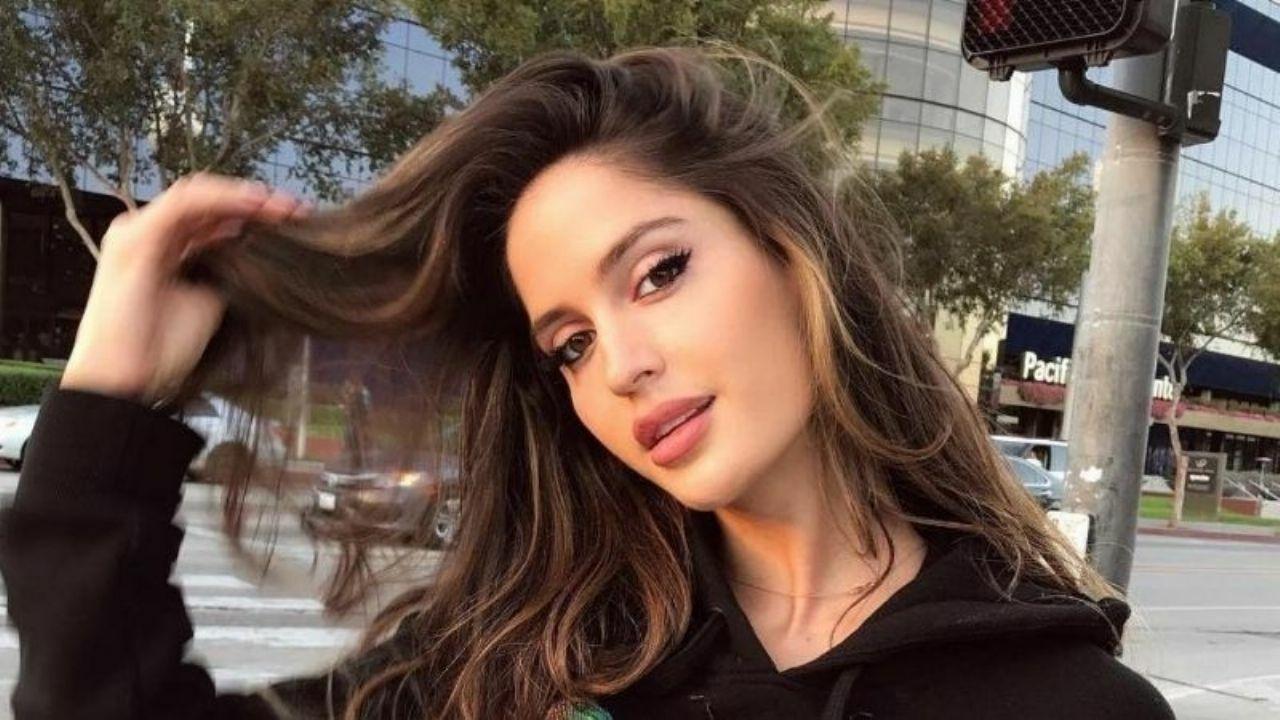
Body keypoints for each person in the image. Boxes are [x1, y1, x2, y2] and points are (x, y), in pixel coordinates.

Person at [0, 46, 1174, 720]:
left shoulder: (1067, 705)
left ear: (790, 252)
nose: (620, 364)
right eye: (566, 343)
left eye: (657, 273)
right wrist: (106, 403)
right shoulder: (513, 662)